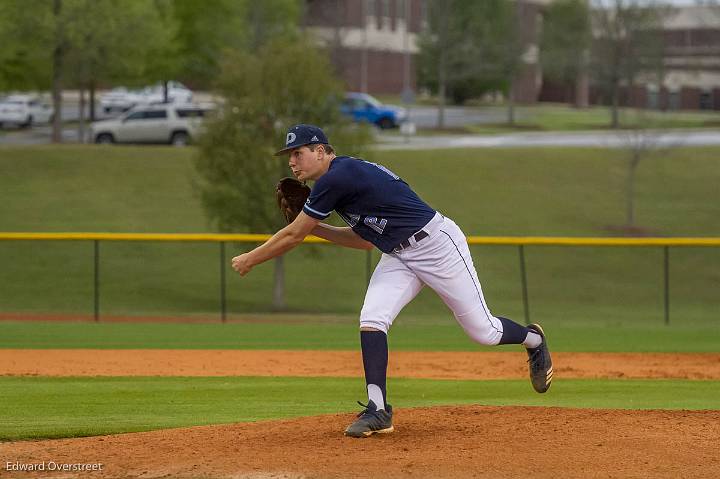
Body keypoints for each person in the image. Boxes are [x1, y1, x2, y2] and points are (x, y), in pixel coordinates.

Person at [231, 124, 553, 438]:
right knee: (372, 319)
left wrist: (249, 259)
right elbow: (365, 241)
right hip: (398, 254)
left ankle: (533, 341)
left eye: (297, 153)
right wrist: (315, 227)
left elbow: (292, 235)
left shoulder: (339, 176)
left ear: (320, 151)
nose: (291, 162)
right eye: (289, 155)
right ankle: (378, 410)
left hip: (437, 247)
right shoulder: (338, 182)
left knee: (485, 332)